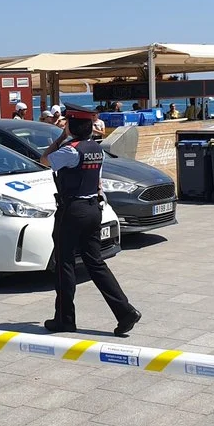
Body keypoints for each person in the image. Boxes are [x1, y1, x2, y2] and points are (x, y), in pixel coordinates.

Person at [40, 105, 140, 335]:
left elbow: (44, 160)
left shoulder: (70, 150)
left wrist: (61, 137)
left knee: (64, 263)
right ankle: (125, 311)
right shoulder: (96, 149)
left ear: (71, 126)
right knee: (95, 262)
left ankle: (65, 319)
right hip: (94, 208)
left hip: (72, 209)